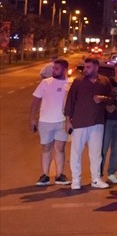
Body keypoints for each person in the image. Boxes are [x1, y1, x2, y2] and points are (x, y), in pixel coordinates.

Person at [63, 56, 113, 190]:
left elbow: (111, 99)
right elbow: (70, 102)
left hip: (97, 122)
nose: (85, 69)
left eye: (88, 67)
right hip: (80, 122)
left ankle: (96, 179)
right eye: (85, 67)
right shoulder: (78, 82)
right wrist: (68, 121)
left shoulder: (104, 81)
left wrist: (102, 98)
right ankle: (76, 180)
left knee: (96, 153)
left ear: (96, 67)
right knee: (76, 152)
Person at [29, 58, 72, 186]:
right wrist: (32, 119)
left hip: (62, 122)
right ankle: (45, 175)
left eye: (57, 68)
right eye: (53, 68)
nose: (54, 70)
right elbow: (35, 101)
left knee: (60, 148)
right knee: (46, 148)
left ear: (64, 70)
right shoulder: (45, 83)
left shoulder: (70, 83)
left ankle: (60, 175)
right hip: (45, 121)